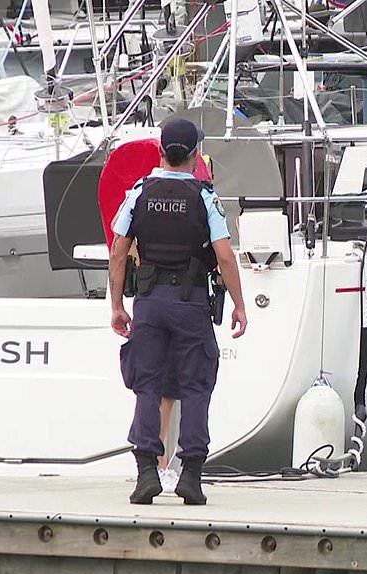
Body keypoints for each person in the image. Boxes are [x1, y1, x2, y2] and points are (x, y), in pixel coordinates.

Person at [108, 118, 249, 506]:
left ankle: (146, 474)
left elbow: (119, 250)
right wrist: (238, 304)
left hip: (149, 304)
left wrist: (118, 305)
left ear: (160, 152)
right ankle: (190, 476)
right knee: (196, 386)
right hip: (191, 305)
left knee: (147, 385)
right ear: (193, 156)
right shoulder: (205, 198)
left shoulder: (139, 193)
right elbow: (223, 255)